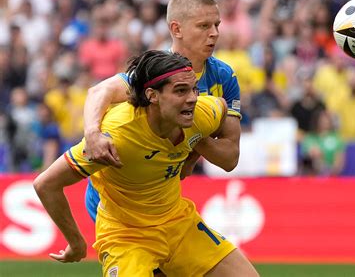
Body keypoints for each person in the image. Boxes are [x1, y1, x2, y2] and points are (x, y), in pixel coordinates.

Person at [33, 50, 259, 276]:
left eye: (194, 89)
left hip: (179, 224)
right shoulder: (118, 134)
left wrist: (191, 156)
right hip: (126, 237)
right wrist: (76, 243)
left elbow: (219, 106)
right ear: (152, 95)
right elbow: (45, 184)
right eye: (180, 91)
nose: (192, 98)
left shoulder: (199, 113)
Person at [83, 0, 242, 222]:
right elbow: (99, 91)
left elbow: (230, 159)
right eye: (204, 26)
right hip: (113, 194)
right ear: (176, 29)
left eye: (217, 25)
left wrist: (194, 136)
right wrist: (92, 133)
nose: (214, 34)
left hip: (159, 195)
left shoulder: (224, 77)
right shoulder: (154, 71)